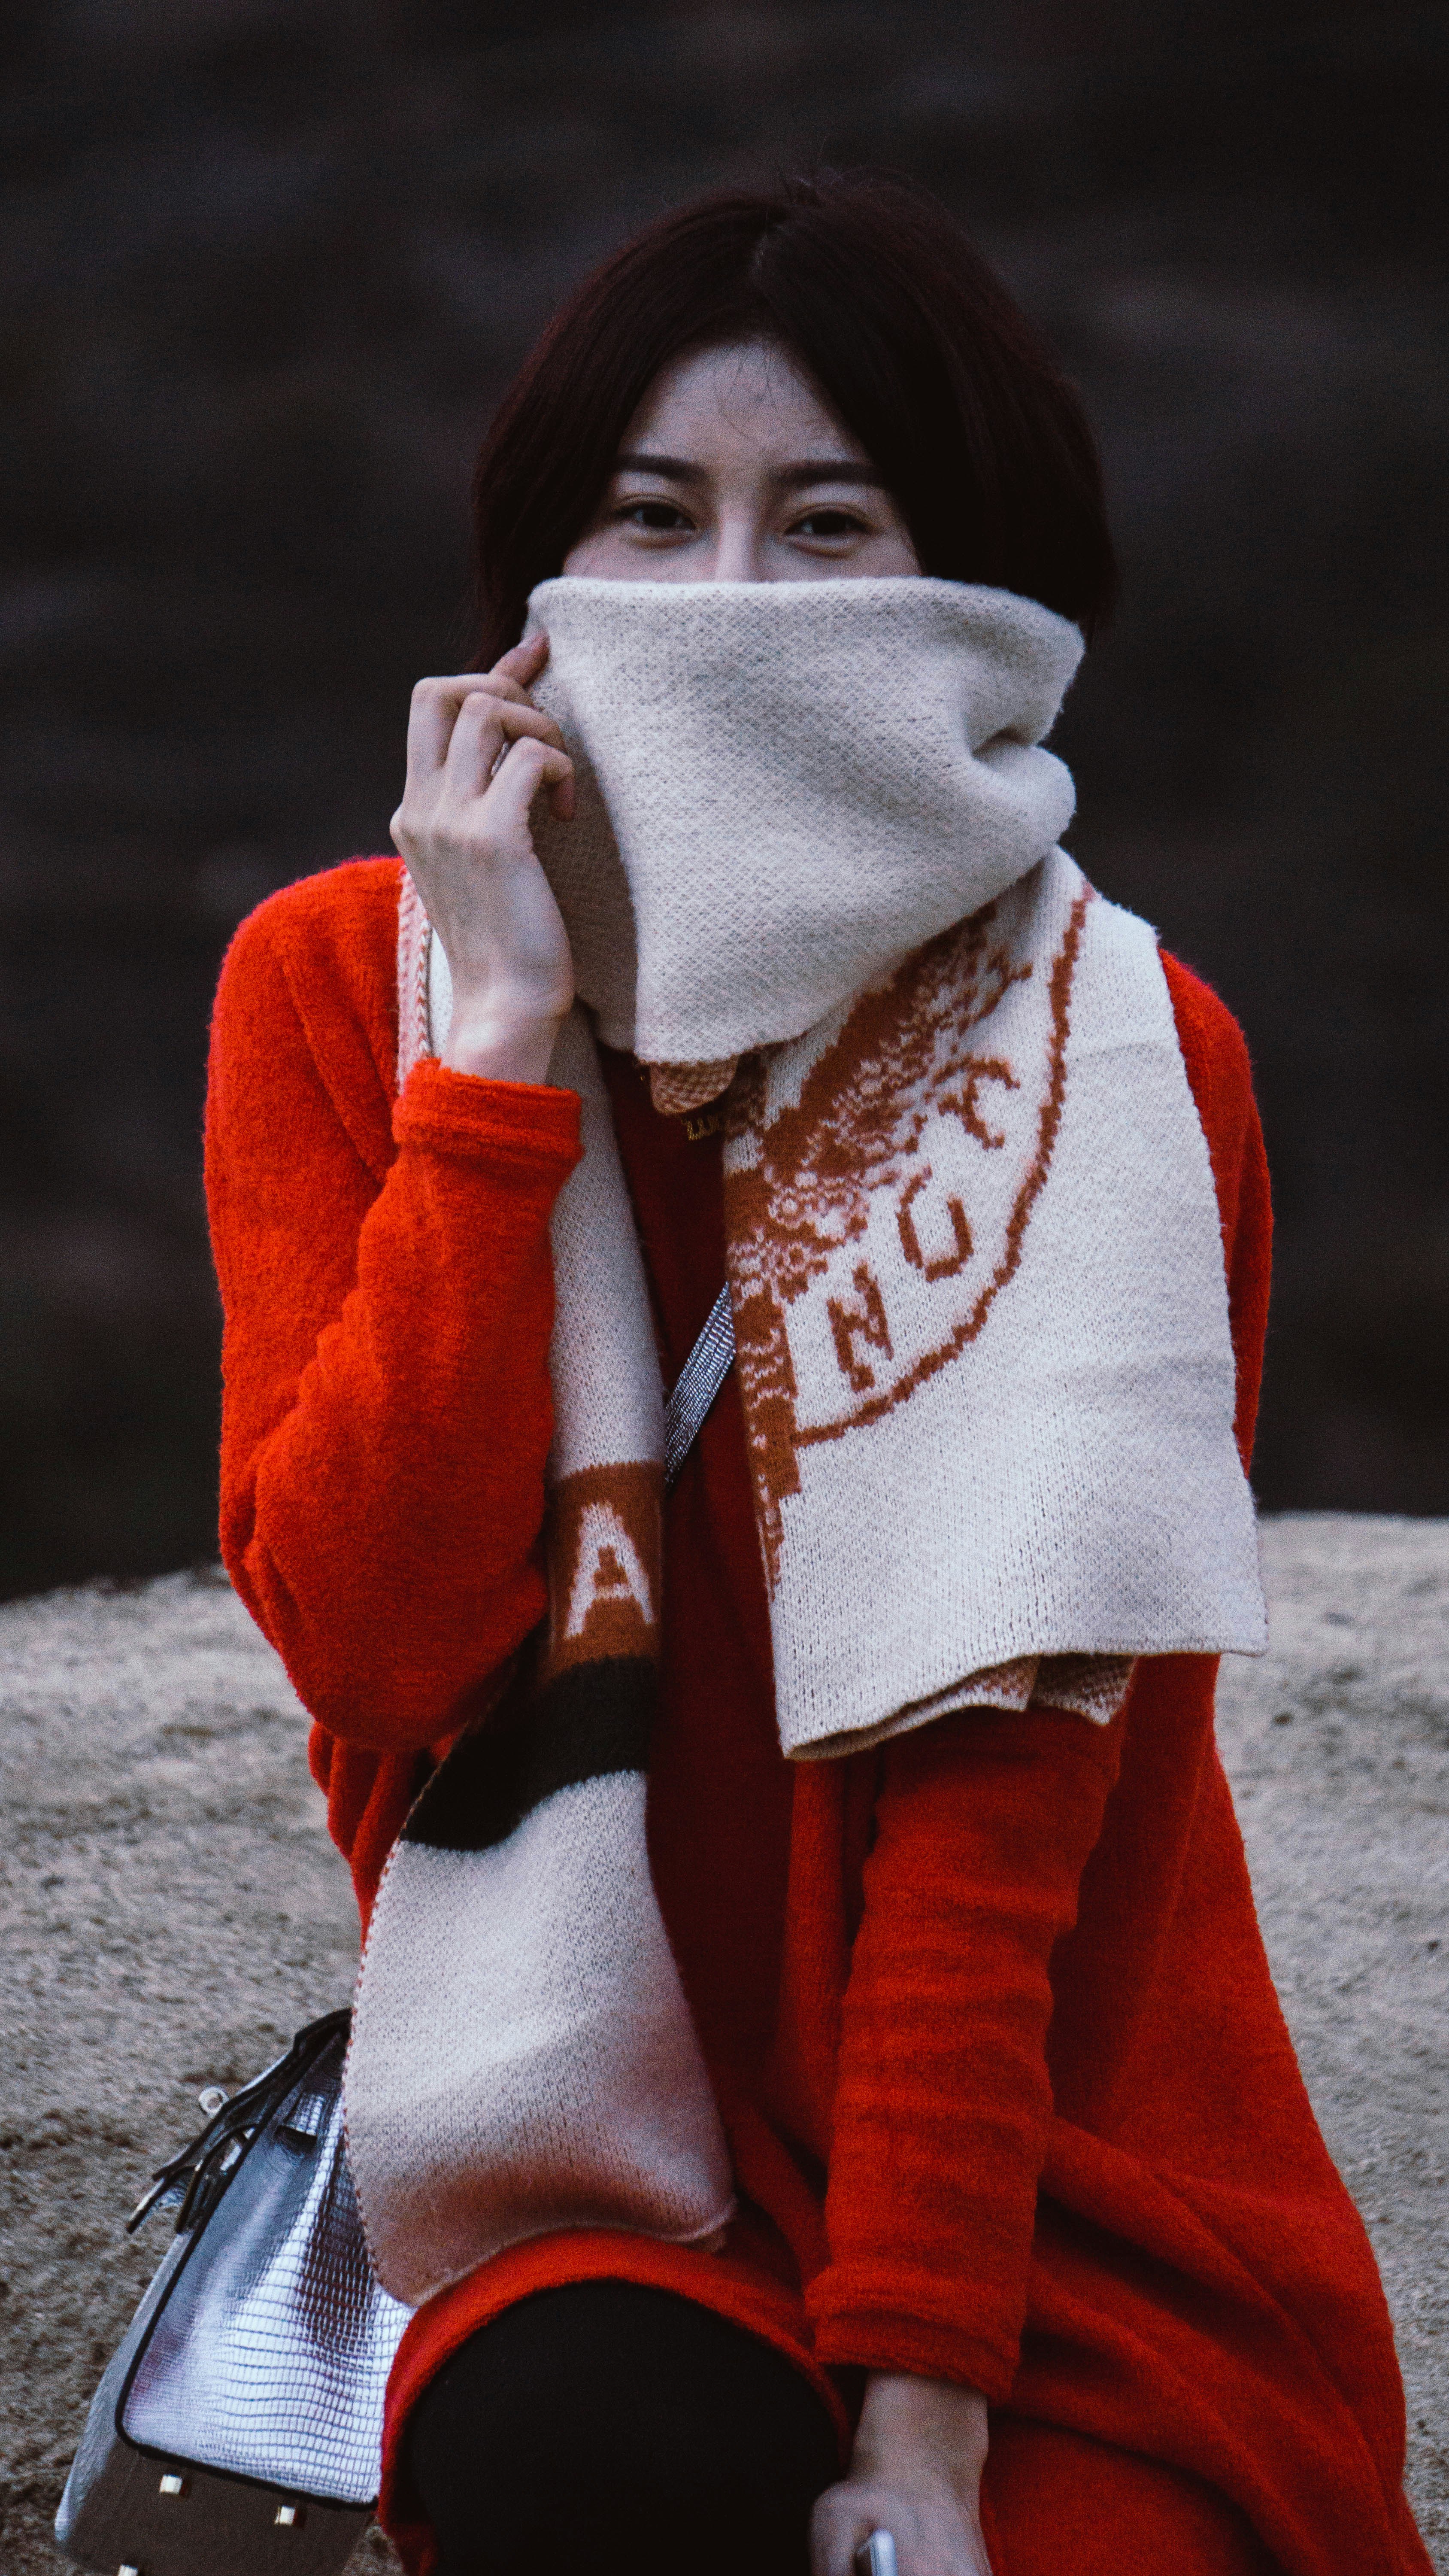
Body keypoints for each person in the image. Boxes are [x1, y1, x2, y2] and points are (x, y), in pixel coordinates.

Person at [204, 172, 1430, 2576]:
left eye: (830, 525)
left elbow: (1001, 1822)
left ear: (974, 590)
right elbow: (373, 1638)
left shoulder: (1118, 1054)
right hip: (593, 2138)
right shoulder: (350, 984)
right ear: (540, 590)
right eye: (653, 522)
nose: (736, 609)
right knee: (589, 2455)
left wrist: (926, 2433)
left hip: (1055, 2192)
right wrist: (503, 1046)